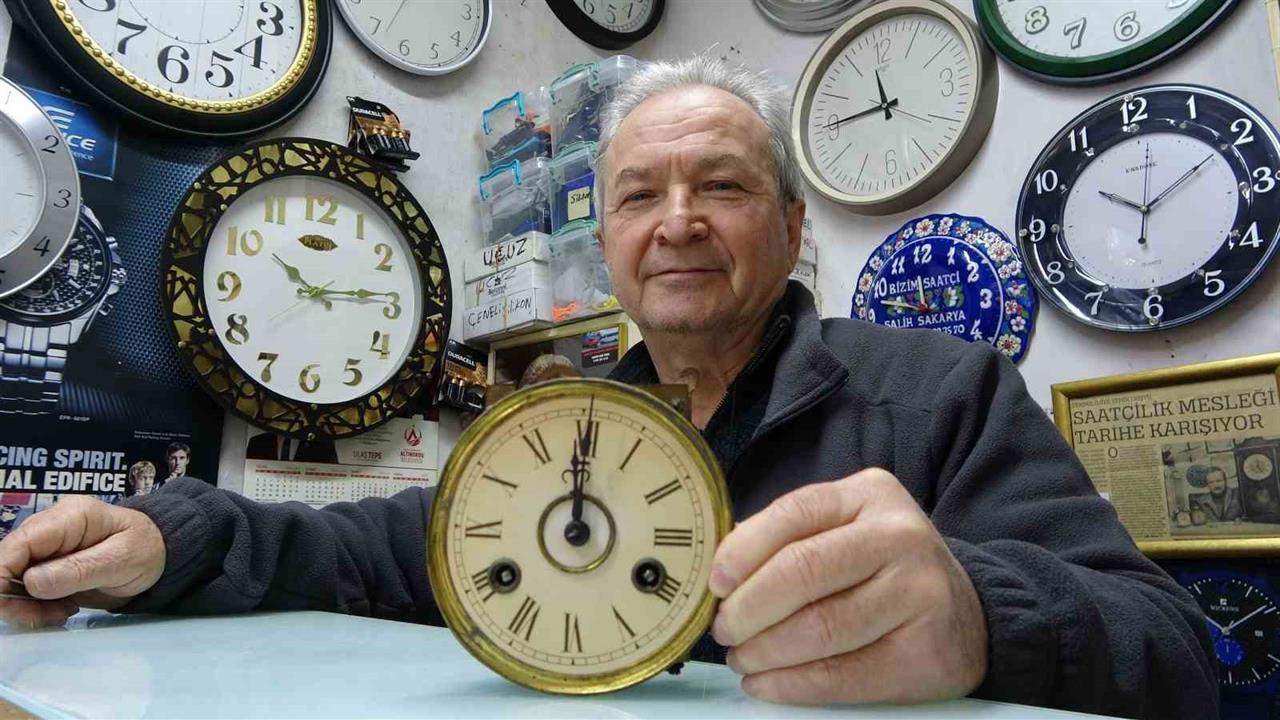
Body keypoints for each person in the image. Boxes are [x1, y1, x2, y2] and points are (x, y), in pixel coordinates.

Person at [0, 57, 1215, 719]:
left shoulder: (941, 393)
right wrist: (167, 538)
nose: (676, 221)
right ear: (609, 244)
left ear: (792, 229)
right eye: (637, 195)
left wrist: (977, 613)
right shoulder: (545, 434)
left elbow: (1171, 652)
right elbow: (355, 552)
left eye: (720, 186)